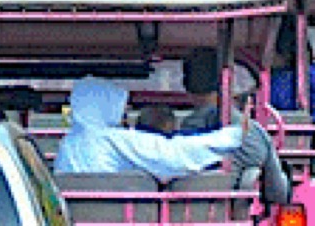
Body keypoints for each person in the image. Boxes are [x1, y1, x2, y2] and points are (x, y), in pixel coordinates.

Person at [55, 78, 244, 182]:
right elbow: (173, 156)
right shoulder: (111, 140)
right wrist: (232, 137)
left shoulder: (68, 144)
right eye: (120, 109)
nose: (124, 116)